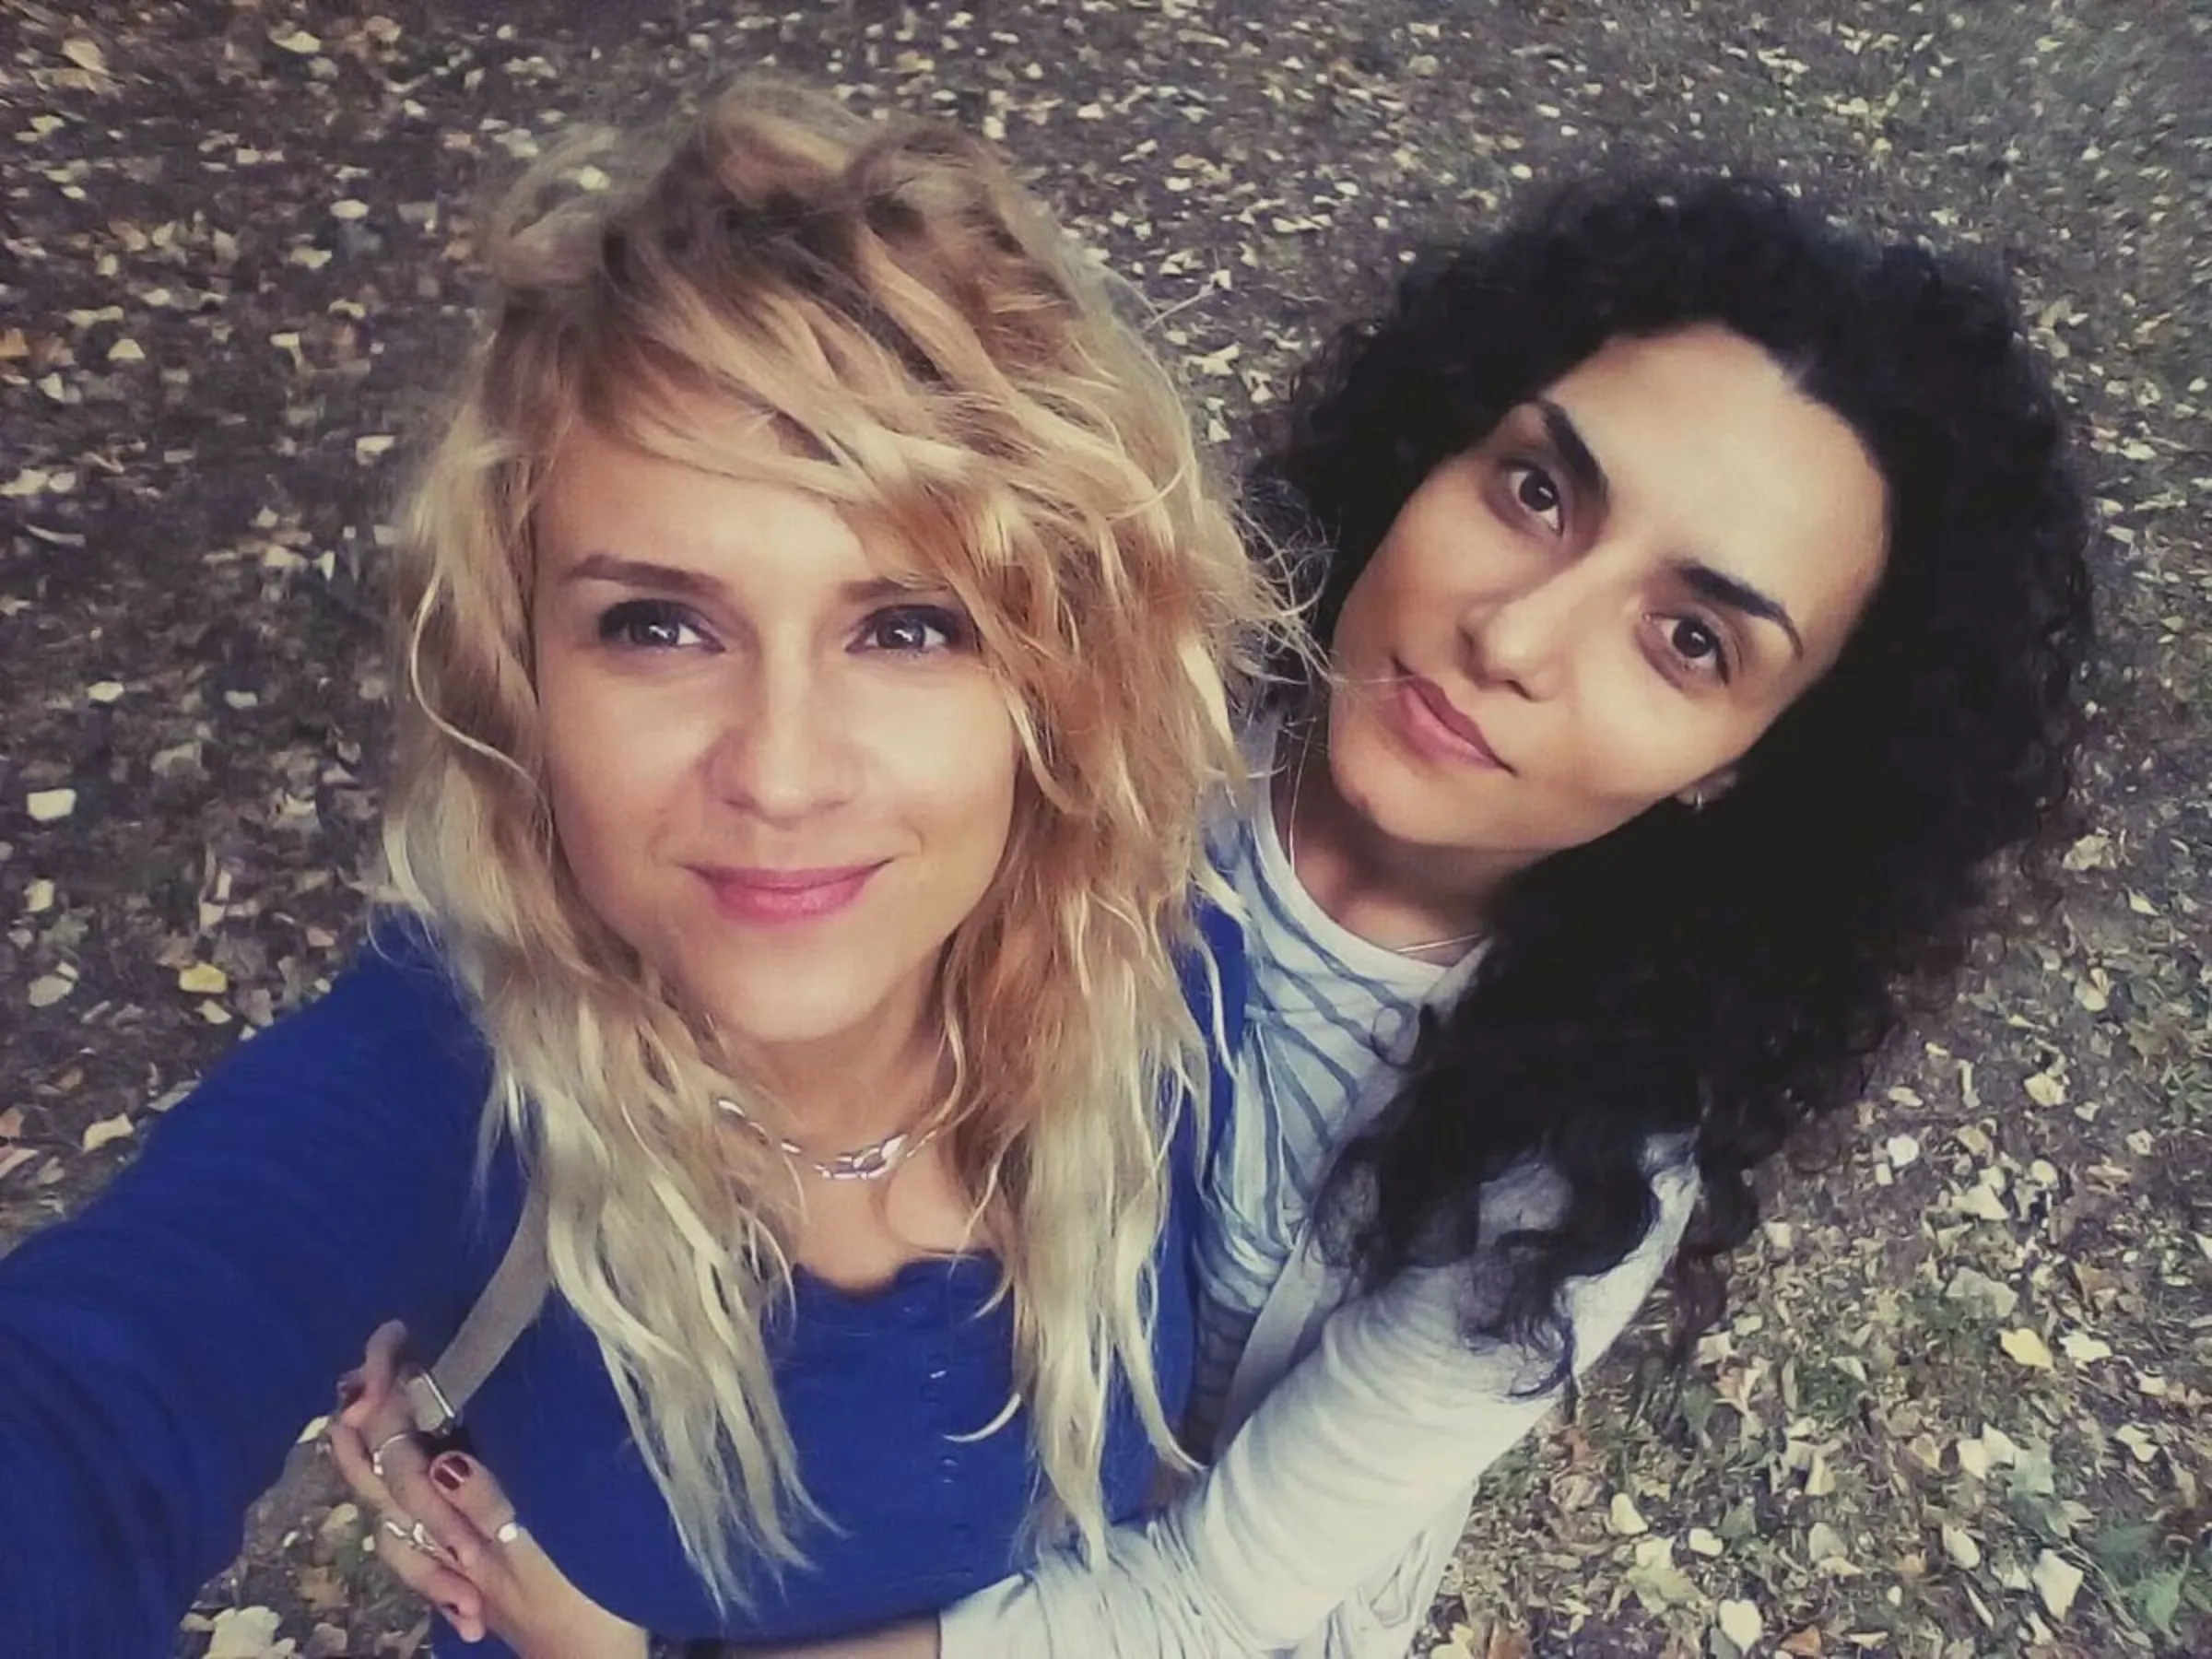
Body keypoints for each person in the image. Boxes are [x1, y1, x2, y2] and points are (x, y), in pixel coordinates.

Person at [351, 173, 2091, 1656]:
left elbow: (1203, 1600)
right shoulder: (1108, 724)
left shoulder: (1573, 1173)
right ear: (1437, 442)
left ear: (1752, 765)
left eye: (1691, 639)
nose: (1518, 635)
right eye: (1538, 489)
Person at [0, 80, 1283, 1659]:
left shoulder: (1160, 984)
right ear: (522, 674)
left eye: (910, 626)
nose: (781, 769)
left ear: (1060, 685)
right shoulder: (453, 1079)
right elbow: (96, 1389)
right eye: (658, 625)